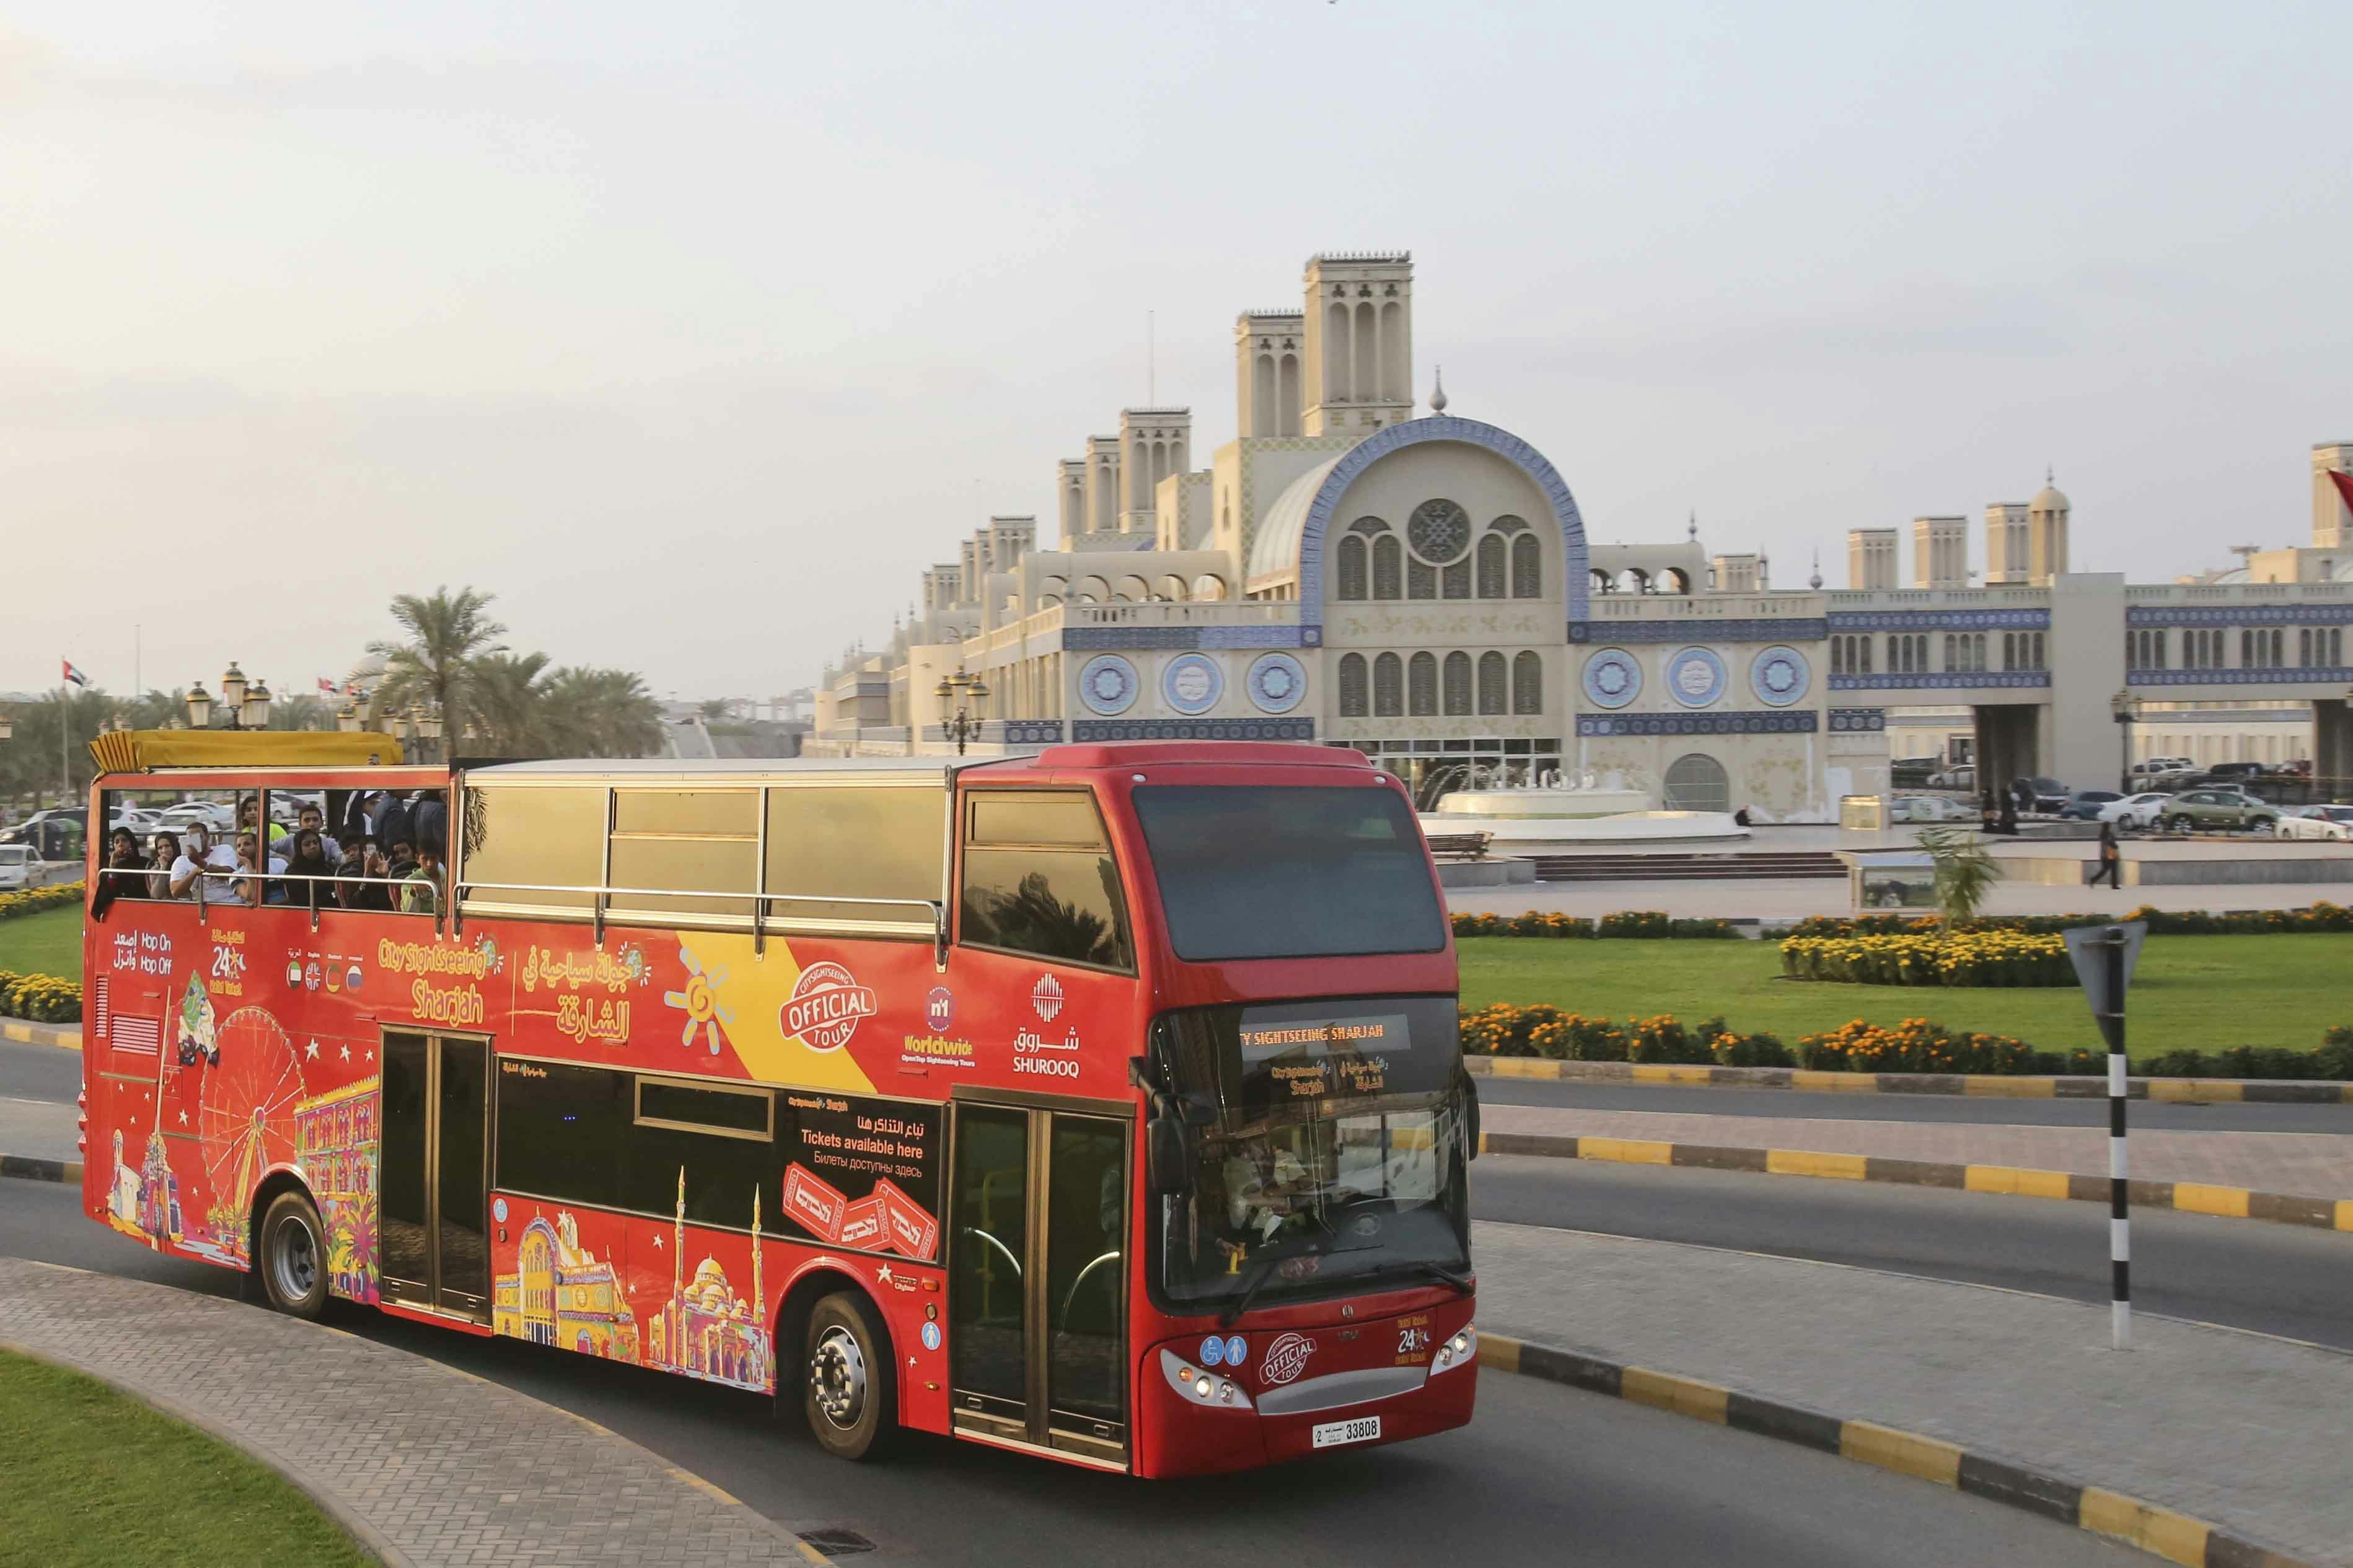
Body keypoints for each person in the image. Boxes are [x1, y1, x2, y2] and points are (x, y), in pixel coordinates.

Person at [168, 824, 236, 900]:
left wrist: (202, 864)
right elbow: (175, 892)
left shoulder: (224, 849)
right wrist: (193, 873)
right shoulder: (181, 860)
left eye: (199, 837)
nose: (195, 841)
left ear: (208, 837)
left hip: (230, 902)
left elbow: (230, 874)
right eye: (191, 838)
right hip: (202, 906)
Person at [280, 828, 338, 911]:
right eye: (307, 844)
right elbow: (302, 902)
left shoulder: (328, 866)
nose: (313, 847)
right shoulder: (293, 872)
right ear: (299, 848)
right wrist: (333, 895)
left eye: (315, 843)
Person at [91, 828, 144, 918]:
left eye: (124, 840)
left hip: (138, 908)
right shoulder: (108, 864)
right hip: (116, 908)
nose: (120, 844)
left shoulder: (142, 862)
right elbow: (106, 890)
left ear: (131, 842)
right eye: (117, 842)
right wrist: (113, 867)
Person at [338, 838, 395, 912]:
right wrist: (365, 879)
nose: (371, 855)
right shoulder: (353, 874)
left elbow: (397, 903)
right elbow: (352, 907)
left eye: (374, 850)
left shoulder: (390, 871)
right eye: (367, 851)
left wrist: (387, 877)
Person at [401, 838, 444, 915]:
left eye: (433, 858)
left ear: (439, 858)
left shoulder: (447, 877)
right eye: (425, 859)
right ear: (417, 859)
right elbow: (406, 911)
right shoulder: (410, 881)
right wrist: (413, 892)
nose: (429, 864)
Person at [146, 832, 182, 900]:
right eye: (160, 848)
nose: (164, 851)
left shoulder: (183, 864)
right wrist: (163, 868)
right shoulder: (155, 868)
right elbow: (156, 895)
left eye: (167, 846)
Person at [2093, 818, 2123, 889]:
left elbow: (2105, 844)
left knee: (2105, 870)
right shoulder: (2109, 834)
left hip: (2104, 855)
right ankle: (2114, 885)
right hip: (2110, 854)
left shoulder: (2102, 835)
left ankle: (2093, 880)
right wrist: (2116, 847)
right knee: (2114, 869)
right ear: (2108, 827)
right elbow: (2112, 843)